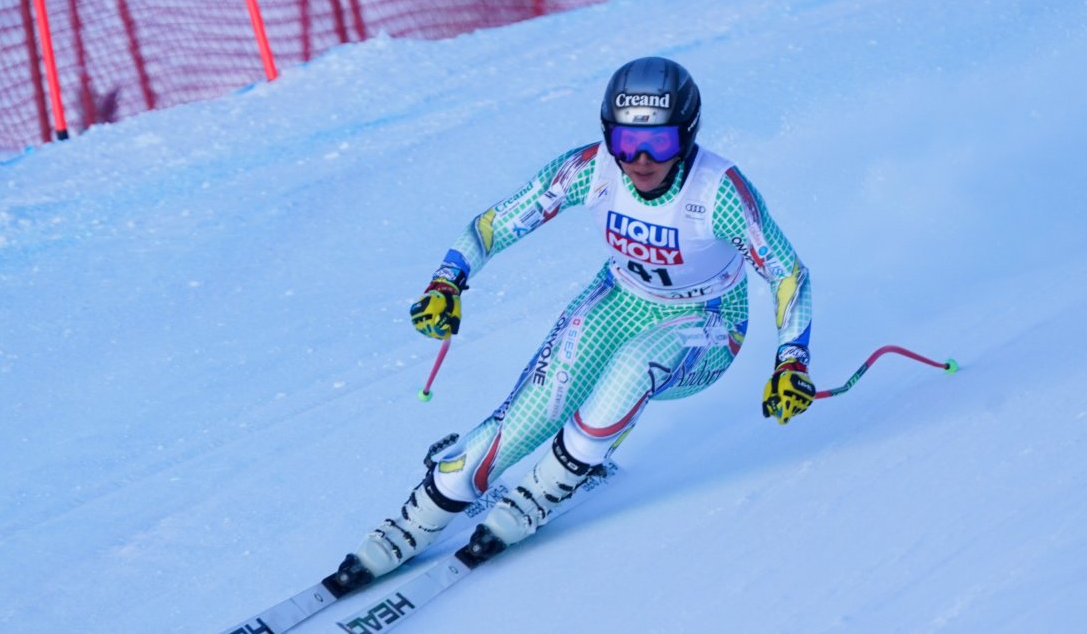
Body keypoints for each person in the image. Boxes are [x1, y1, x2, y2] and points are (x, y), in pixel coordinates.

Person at [324, 56, 815, 591]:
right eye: (626, 143)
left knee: (631, 367)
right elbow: (494, 225)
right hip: (620, 301)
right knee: (528, 415)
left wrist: (792, 359)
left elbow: (788, 274)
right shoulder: (591, 169)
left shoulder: (717, 191)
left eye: (661, 144)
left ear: (688, 137)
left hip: (710, 322)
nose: (642, 160)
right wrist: (448, 281)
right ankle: (421, 515)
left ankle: (551, 483)